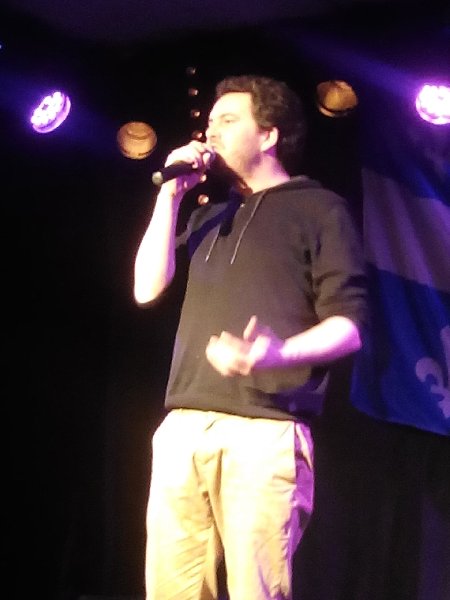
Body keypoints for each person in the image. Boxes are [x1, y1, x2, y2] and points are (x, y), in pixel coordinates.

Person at [133, 74, 368, 600]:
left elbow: (349, 326)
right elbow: (145, 289)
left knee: (255, 591)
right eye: (210, 121)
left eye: (227, 120)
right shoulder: (207, 215)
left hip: (265, 430)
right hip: (184, 426)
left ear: (268, 134)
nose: (210, 132)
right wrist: (169, 196)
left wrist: (280, 353)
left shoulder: (320, 208)